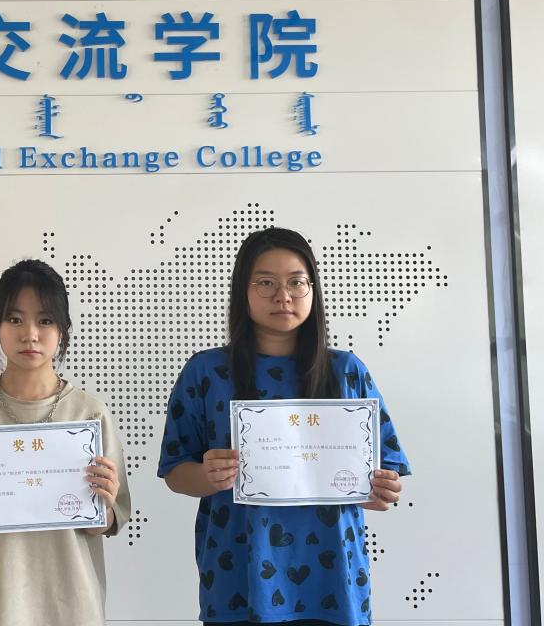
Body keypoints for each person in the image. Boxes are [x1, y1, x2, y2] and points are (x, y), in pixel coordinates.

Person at [158, 227, 410, 626]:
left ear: (313, 289)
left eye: (296, 282)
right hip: (237, 579)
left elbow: (387, 475)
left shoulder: (346, 371)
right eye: (265, 283)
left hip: (334, 582)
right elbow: (175, 471)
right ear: (243, 290)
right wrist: (208, 476)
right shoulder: (206, 371)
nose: (283, 295)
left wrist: (382, 490)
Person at [0, 259, 132, 626]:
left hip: (68, 606)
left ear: (62, 330)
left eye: (45, 321)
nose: (30, 334)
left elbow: (108, 521)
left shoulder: (89, 414)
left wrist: (106, 505)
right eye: (14, 319)